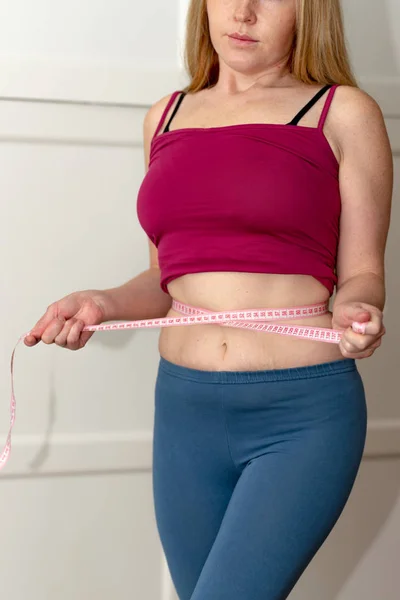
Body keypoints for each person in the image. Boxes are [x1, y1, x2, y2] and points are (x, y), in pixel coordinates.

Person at [25, 0, 393, 598]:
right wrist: (101, 302)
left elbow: (362, 274)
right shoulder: (165, 117)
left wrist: (359, 310)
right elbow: (164, 279)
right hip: (183, 412)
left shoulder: (342, 113)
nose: (244, 12)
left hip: (300, 417)